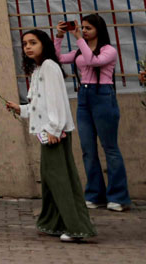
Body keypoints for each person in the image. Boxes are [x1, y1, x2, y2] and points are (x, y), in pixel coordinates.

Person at [5, 30, 96, 242]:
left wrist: (54, 129)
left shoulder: (49, 66)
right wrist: (21, 109)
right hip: (48, 131)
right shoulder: (39, 69)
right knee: (51, 179)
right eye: (25, 44)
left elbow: (56, 101)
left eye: (33, 43)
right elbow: (41, 103)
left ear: (44, 44)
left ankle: (76, 228)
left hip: (55, 133)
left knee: (60, 180)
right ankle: (53, 223)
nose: (28, 47)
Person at [55, 14, 130, 212]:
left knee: (110, 148)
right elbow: (58, 58)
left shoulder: (109, 50)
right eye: (83, 27)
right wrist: (59, 36)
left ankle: (118, 197)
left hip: (103, 95)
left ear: (99, 29)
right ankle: (95, 195)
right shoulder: (81, 50)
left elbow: (93, 61)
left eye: (88, 28)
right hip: (84, 97)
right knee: (88, 149)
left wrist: (79, 38)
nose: (84, 31)